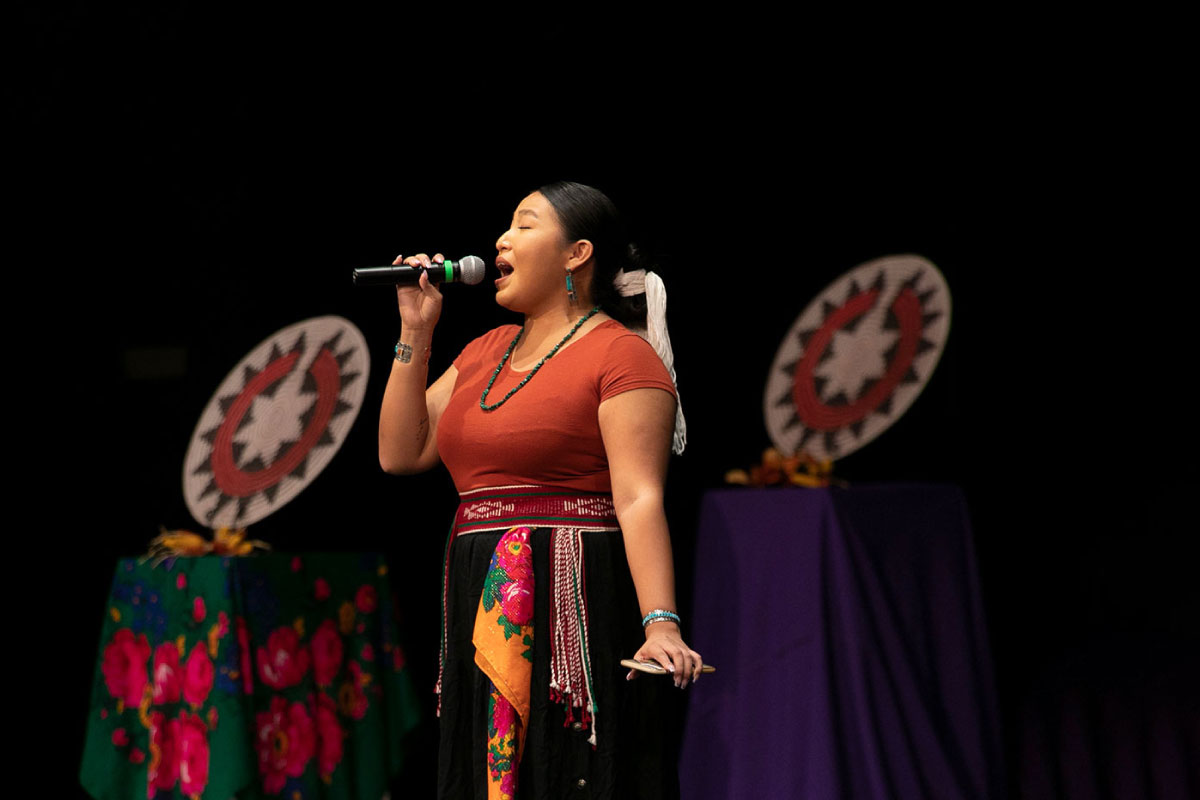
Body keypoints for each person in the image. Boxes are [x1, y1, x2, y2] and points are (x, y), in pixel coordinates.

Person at [379, 181, 700, 799]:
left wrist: (659, 623)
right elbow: (400, 453)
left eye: (524, 225)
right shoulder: (484, 350)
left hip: (573, 592)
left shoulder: (622, 356)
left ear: (577, 253)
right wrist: (414, 331)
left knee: (569, 769)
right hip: (484, 590)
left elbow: (639, 497)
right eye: (507, 227)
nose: (501, 239)